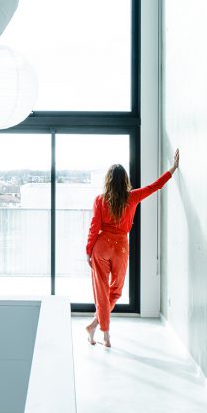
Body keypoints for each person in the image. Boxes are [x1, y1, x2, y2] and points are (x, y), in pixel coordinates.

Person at [85, 148, 179, 348]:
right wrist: (172, 169)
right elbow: (155, 187)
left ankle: (100, 329)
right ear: (124, 180)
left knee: (101, 291)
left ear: (108, 181)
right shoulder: (132, 197)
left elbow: (94, 228)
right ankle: (101, 331)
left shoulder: (100, 200)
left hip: (101, 247)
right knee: (115, 292)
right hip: (120, 248)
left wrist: (88, 250)